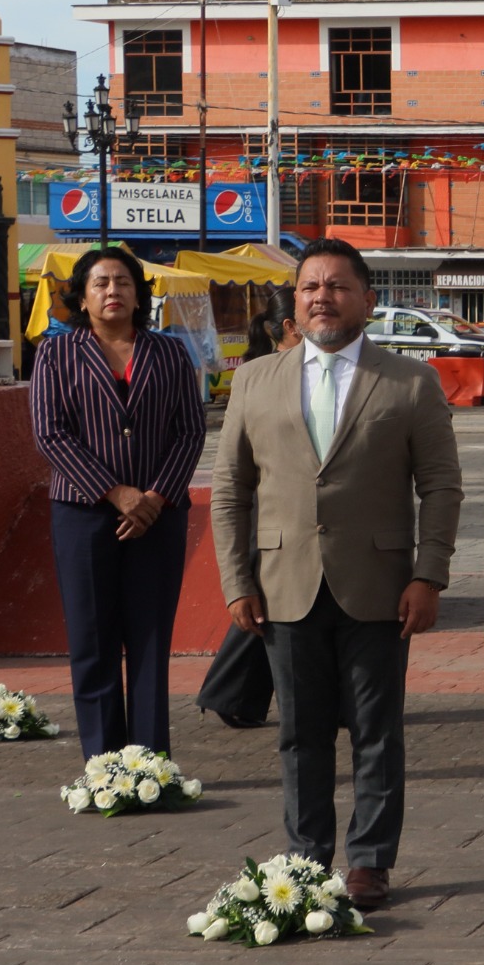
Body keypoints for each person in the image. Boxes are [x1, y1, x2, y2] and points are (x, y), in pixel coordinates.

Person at [212, 237, 463, 911]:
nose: (322, 297)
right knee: (301, 732)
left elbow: (441, 486)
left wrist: (430, 574)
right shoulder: (257, 378)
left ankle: (370, 862)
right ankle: (305, 857)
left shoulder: (410, 381)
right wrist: (237, 581)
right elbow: (231, 489)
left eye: (337, 286)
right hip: (283, 584)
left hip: (380, 586)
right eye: (309, 287)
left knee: (377, 732)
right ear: (294, 302)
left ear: (368, 299)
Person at [29, 245, 207, 758]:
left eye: (124, 282)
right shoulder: (56, 353)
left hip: (158, 517)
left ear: (138, 293)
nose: (114, 291)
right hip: (83, 515)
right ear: (82, 298)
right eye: (102, 283)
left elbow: (190, 431)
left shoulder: (170, 352)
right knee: (93, 641)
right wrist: (117, 492)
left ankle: (149, 763)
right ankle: (104, 764)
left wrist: (153, 497)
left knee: (150, 640)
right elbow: (51, 434)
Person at [199, 286, 304, 730]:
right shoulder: (259, 375)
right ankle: (232, 691)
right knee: (266, 604)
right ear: (289, 327)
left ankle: (236, 693)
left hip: (299, 510)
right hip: (273, 505)